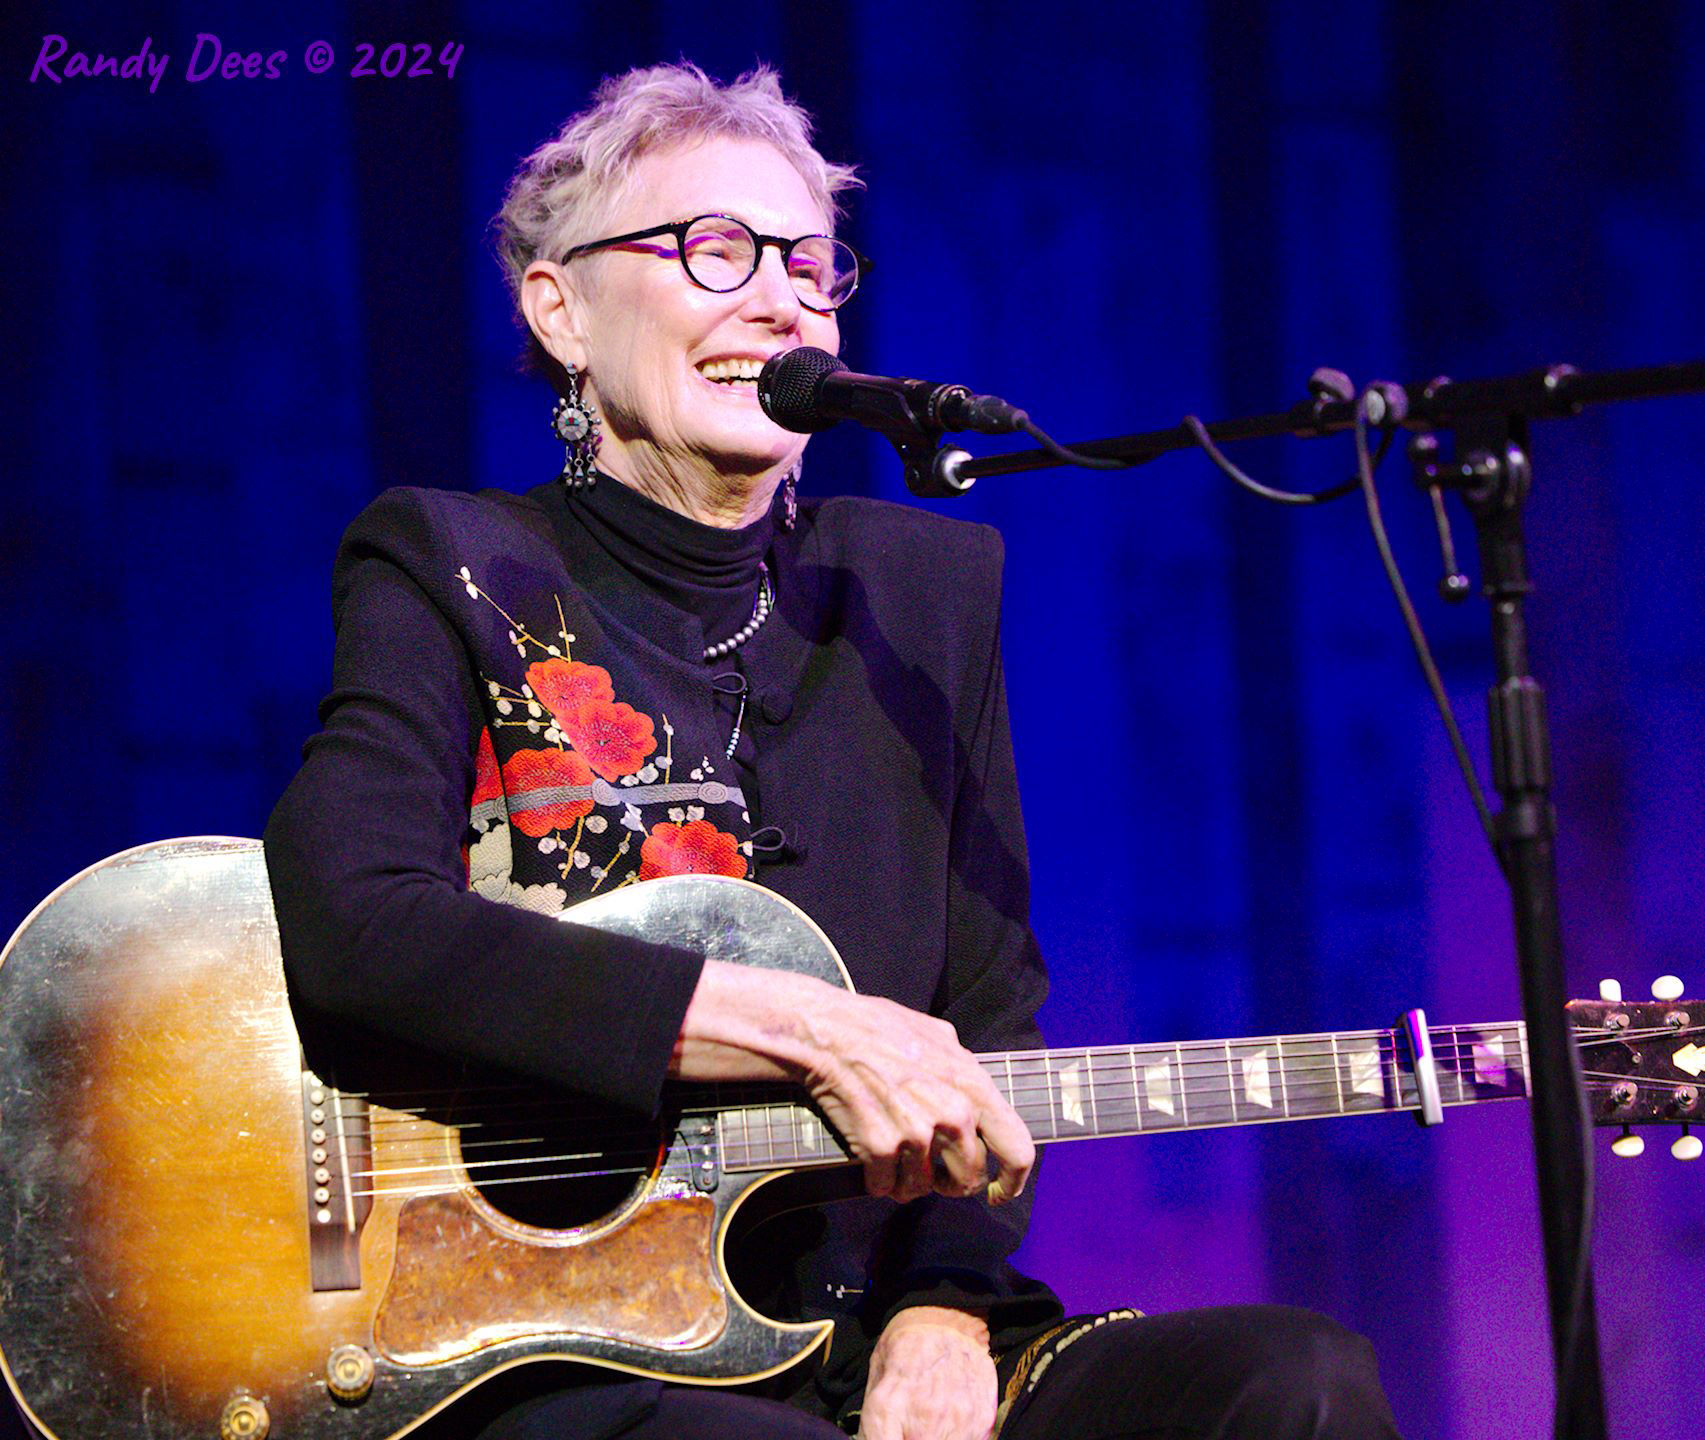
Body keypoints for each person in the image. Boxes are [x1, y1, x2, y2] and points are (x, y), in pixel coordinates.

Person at [264, 62, 1403, 1440]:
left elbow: (986, 1017)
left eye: (809, 262)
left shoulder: (923, 591)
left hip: (864, 1311)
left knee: (1297, 1386)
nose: (782, 297)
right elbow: (355, 927)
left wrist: (943, 1312)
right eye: (713, 249)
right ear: (558, 309)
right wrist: (805, 1027)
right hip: (560, 1342)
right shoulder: (452, 564)